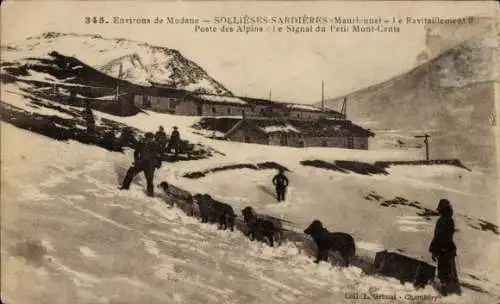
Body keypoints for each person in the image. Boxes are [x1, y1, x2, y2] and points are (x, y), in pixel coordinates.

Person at [429, 199, 461, 296]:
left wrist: (435, 250)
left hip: (444, 251)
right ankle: (453, 293)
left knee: (445, 274)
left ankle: (447, 294)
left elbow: (440, 237)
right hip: (448, 250)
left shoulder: (443, 221)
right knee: (450, 273)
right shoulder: (448, 220)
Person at [119, 132, 162, 197]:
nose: (149, 139)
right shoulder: (141, 143)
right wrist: (137, 161)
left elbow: (158, 156)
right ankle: (125, 187)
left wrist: (158, 163)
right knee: (130, 173)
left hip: (150, 165)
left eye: (150, 138)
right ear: (146, 137)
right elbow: (136, 153)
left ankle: (150, 195)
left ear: (152, 138)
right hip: (141, 163)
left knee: (149, 180)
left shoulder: (155, 145)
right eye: (147, 138)